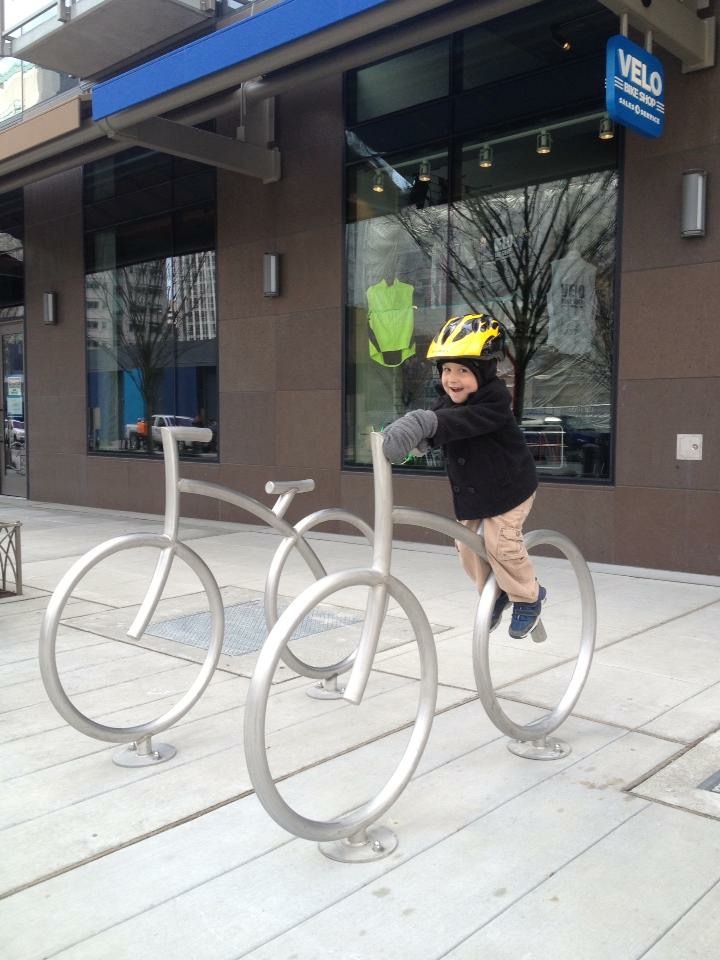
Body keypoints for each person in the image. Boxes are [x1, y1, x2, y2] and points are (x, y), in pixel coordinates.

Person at [381, 313, 545, 638]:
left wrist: (425, 424)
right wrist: (417, 440)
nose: (452, 379)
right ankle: (495, 593)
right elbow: (440, 424)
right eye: (447, 370)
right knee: (467, 547)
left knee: (501, 543)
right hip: (476, 493)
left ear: (484, 372)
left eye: (463, 371)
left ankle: (529, 597)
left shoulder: (494, 403)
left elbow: (459, 423)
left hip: (510, 490)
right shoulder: (447, 402)